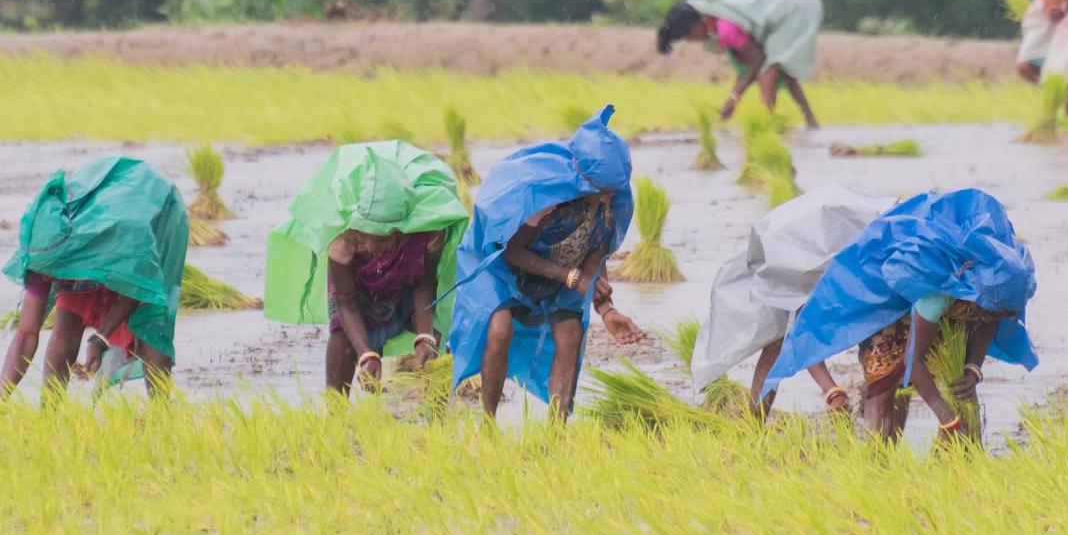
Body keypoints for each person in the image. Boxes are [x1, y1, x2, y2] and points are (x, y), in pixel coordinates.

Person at [763, 189, 1038, 443]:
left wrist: (972, 370)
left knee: (955, 380)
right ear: (972, 296)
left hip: (938, 306)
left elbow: (988, 323)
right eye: (989, 310)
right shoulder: (937, 294)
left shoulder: (1001, 285)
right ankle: (878, 460)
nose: (994, 315)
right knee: (884, 377)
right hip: (886, 299)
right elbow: (913, 361)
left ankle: (955, 457)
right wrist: (946, 418)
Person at [451, 105, 645, 421]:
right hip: (505, 268)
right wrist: (570, 277)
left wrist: (606, 308)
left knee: (570, 334)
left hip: (565, 269)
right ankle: (488, 420)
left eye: (614, 192)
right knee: (499, 331)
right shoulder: (542, 196)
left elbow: (597, 251)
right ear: (585, 181)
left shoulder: (613, 201)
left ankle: (557, 431)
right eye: (603, 192)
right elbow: (512, 251)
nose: (609, 198)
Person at [262, 140, 470, 395]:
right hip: (357, 291)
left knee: (437, 340)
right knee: (342, 338)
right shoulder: (344, 239)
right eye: (364, 235)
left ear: (402, 231)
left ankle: (437, 421)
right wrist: (367, 354)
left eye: (381, 238)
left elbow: (425, 283)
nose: (370, 245)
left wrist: (424, 337)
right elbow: (346, 302)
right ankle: (335, 414)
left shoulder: (427, 233)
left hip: (406, 283)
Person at [0, 155, 187, 400]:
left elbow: (137, 289)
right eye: (39, 272)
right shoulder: (39, 253)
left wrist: (101, 337)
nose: (43, 279)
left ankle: (161, 413)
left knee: (151, 318)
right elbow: (26, 334)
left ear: (64, 257)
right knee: (67, 316)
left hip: (154, 215)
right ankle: (49, 413)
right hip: (104, 228)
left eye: (48, 271)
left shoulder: (124, 237)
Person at [690, 185, 882, 414]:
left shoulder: (812, 243)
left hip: (820, 252)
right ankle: (826, 395)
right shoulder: (779, 257)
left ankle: (825, 395)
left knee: (784, 339)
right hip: (806, 258)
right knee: (783, 339)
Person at [656, 0, 824, 128]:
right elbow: (747, 70)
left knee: (769, 70)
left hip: (795, 7)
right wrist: (732, 100)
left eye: (688, 35)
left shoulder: (725, 28)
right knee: (782, 71)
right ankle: (811, 121)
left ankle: (765, 125)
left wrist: (733, 99)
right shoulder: (719, 21)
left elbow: (758, 60)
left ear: (695, 24)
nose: (690, 41)